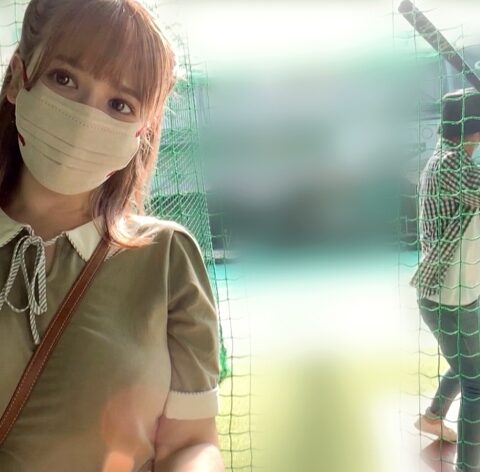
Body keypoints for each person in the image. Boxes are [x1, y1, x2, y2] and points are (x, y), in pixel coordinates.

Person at [0, 1, 224, 471]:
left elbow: (191, 443)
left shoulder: (167, 257)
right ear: (20, 76)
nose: (86, 118)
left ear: (142, 131)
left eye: (120, 104)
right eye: (64, 78)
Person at [411, 87, 480, 471]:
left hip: (456, 291)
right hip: (449, 296)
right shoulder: (452, 164)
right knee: (477, 384)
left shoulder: (450, 157)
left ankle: (433, 417)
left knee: (470, 361)